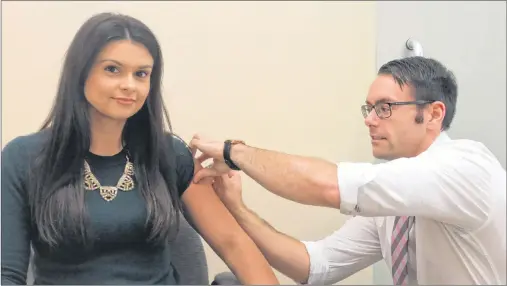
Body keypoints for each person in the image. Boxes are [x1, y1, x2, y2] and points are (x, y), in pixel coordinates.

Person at [1, 12, 279, 285]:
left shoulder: (169, 155)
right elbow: (7, 274)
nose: (129, 85)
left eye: (141, 74)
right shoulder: (23, 158)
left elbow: (234, 243)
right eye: (112, 69)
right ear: (80, 73)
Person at [190, 57, 506, 285]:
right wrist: (237, 209)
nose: (370, 119)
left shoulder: (465, 168)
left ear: (434, 113)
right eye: (369, 109)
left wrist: (236, 153)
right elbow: (316, 266)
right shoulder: (393, 198)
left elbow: (328, 186)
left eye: (385, 108)